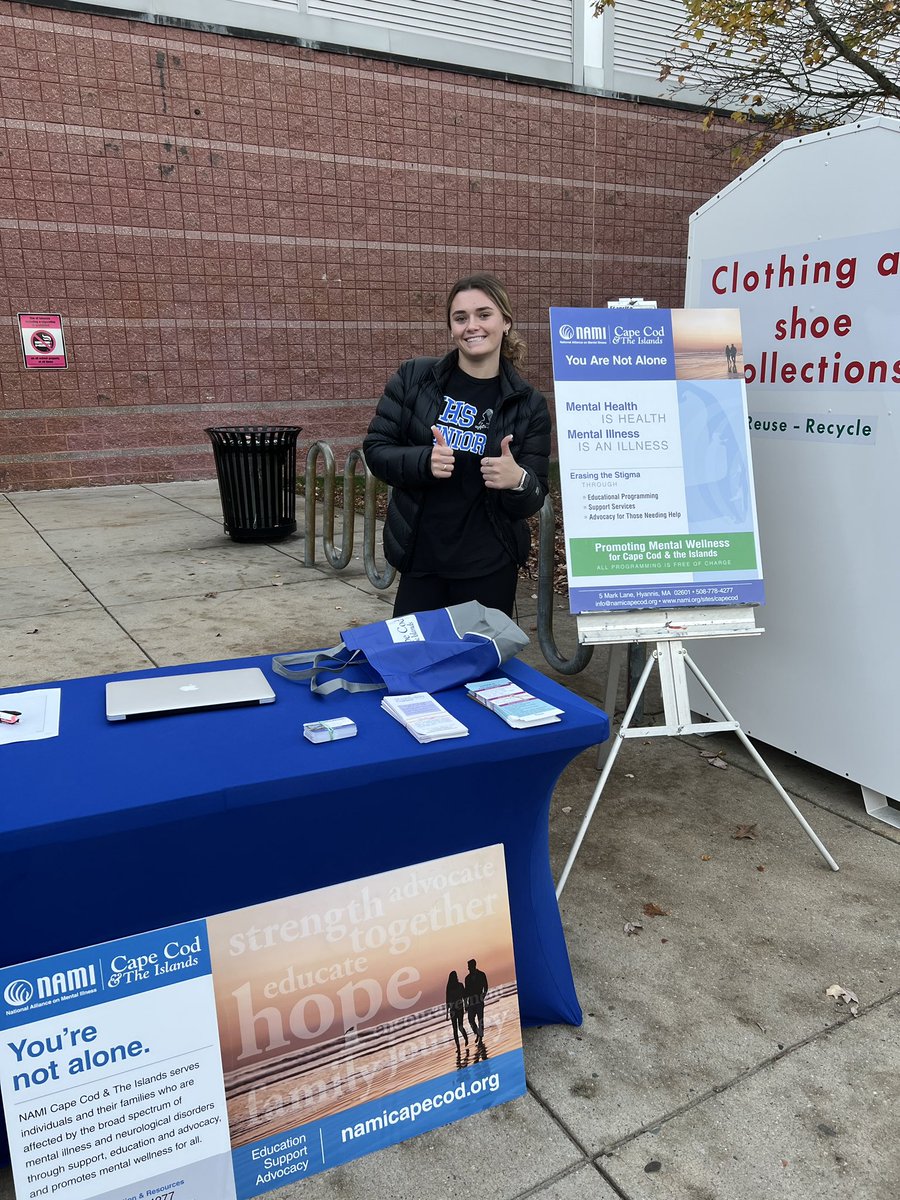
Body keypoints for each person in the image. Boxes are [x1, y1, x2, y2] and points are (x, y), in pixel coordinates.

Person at [363, 273, 551, 618]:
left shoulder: (528, 405)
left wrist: (517, 480)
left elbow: (534, 495)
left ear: (505, 322)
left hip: (489, 567)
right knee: (415, 664)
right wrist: (424, 461)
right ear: (451, 327)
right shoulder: (414, 378)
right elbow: (376, 449)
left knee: (480, 669)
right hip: (422, 559)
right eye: (460, 317)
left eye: (484, 314)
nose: (472, 326)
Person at [464, 957, 489, 1042]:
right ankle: (478, 1033)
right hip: (471, 1002)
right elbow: (466, 992)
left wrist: (483, 996)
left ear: (473, 966)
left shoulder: (481, 974)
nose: (468, 968)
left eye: (469, 966)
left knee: (480, 1019)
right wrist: (466, 1004)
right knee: (471, 1020)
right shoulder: (467, 978)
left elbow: (486, 986)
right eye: (468, 966)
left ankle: (480, 1037)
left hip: (479, 1000)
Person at [445, 970, 468, 1052]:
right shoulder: (449, 988)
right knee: (454, 1029)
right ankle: (458, 1047)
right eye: (453, 976)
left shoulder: (460, 985)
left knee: (460, 1027)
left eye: (455, 976)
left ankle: (466, 1038)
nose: (455, 977)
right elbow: (447, 1001)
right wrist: (447, 1014)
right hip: (453, 1010)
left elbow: (464, 996)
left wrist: (466, 1005)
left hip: (460, 1008)